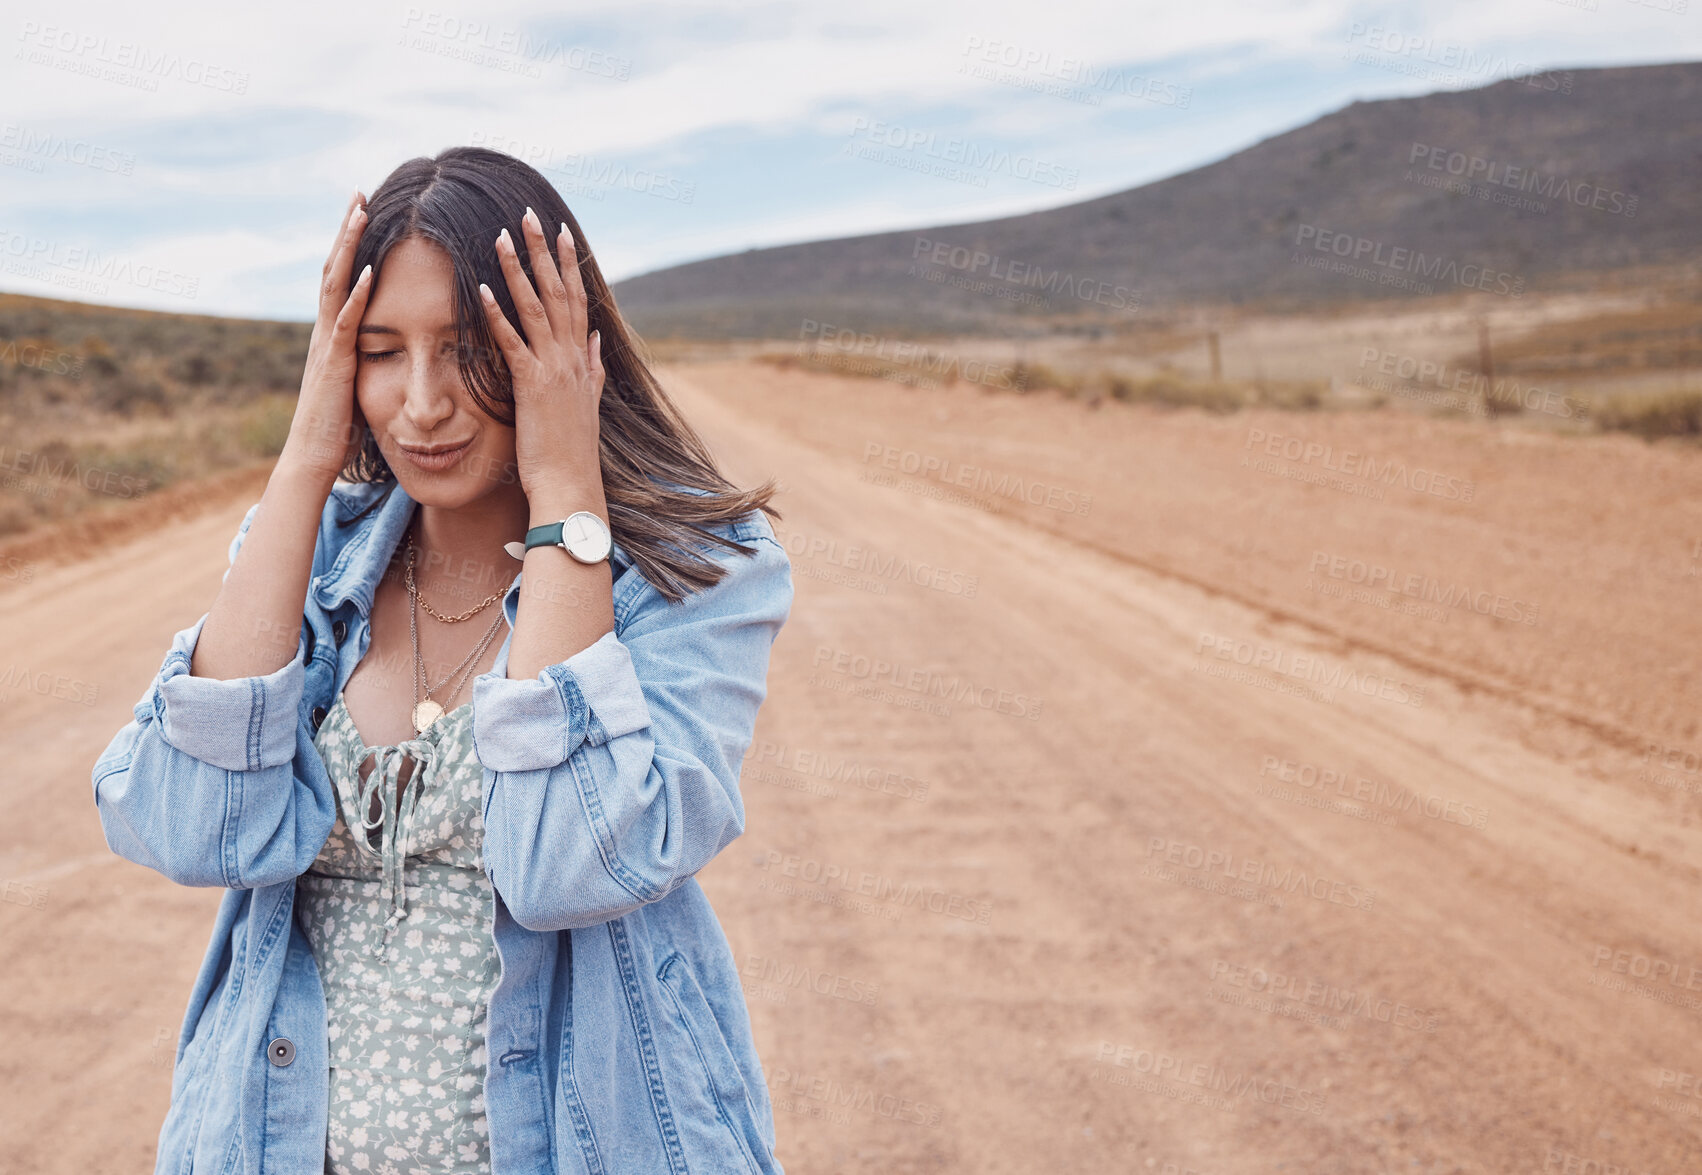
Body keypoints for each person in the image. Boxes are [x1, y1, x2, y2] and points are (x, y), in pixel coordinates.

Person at [91, 146, 794, 1175]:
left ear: (558, 343)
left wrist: (565, 484)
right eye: (380, 349)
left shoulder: (696, 574)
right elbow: (196, 825)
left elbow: (568, 863)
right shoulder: (312, 548)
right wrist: (303, 458)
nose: (421, 402)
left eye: (469, 349)